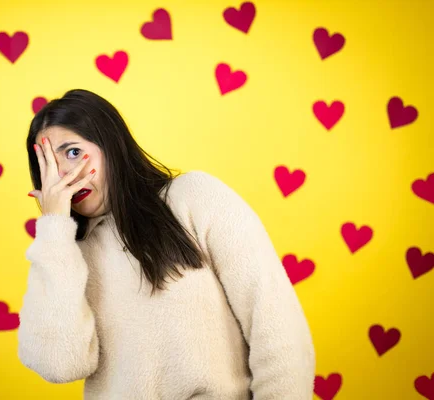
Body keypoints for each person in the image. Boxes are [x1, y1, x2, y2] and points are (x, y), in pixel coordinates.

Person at [18, 89, 316, 399]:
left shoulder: (195, 196)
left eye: (73, 153)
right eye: (47, 165)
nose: (62, 175)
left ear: (111, 145)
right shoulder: (64, 255)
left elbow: (277, 326)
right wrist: (54, 230)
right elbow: (58, 365)